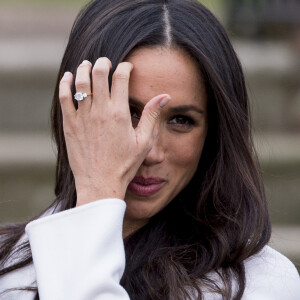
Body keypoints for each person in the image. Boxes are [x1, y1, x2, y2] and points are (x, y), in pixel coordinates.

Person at [0, 0, 299, 299]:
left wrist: (96, 198)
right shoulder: (10, 270)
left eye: (181, 120)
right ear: (76, 112)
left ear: (214, 133)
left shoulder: (258, 283)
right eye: (128, 113)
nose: (150, 151)